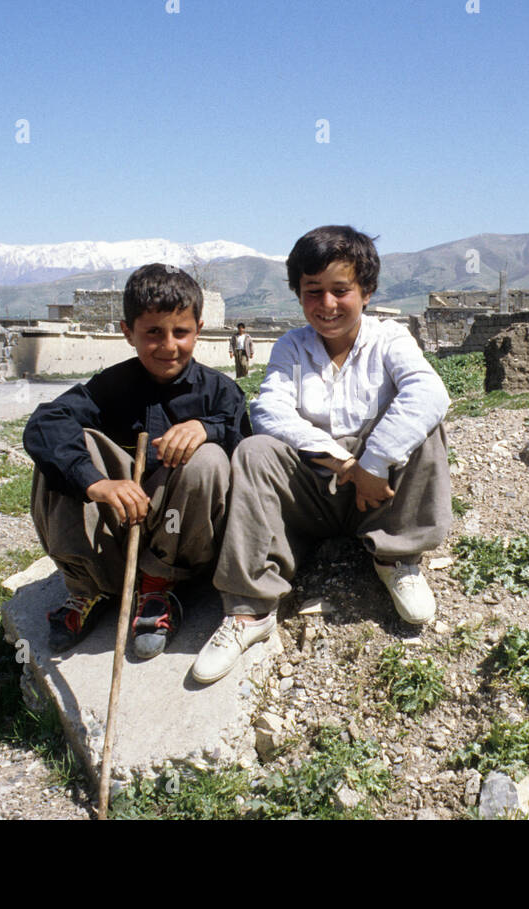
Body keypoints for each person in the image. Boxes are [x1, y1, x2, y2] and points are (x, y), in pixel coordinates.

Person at [192, 226, 452, 684]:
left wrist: (372, 463)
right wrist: (342, 461)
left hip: (379, 496)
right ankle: (250, 608)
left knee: (426, 427)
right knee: (256, 450)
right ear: (298, 294)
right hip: (317, 488)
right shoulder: (293, 347)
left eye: (340, 290)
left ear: (366, 292)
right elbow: (270, 408)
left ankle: (396, 557)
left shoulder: (389, 339)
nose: (327, 304)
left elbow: (428, 392)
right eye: (313, 292)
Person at [23, 264, 249, 659]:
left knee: (209, 459)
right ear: (128, 332)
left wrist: (206, 430)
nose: (168, 346)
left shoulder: (220, 393)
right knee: (67, 449)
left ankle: (159, 587)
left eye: (181, 332)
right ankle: (87, 587)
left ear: (198, 328)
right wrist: (95, 481)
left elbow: (245, 441)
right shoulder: (111, 387)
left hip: (182, 540)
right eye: (152, 333)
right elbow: (44, 423)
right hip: (119, 536)